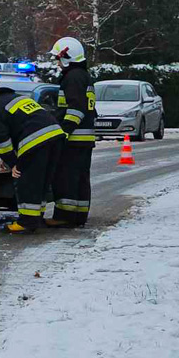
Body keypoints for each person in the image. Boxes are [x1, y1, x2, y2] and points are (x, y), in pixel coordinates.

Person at [0, 81, 65, 234]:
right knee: (41, 180)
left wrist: (13, 163)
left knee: (27, 180)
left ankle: (27, 222)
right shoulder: (16, 98)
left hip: (36, 140)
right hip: (55, 136)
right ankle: (37, 217)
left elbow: (0, 139)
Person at [48, 37, 97, 228]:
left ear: (67, 57)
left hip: (74, 138)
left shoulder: (73, 77)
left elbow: (75, 109)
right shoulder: (84, 76)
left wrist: (64, 132)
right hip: (85, 139)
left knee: (66, 177)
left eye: (59, 59)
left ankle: (64, 216)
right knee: (80, 179)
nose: (58, 64)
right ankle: (79, 215)